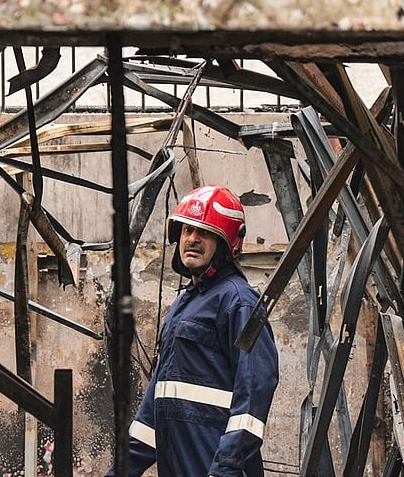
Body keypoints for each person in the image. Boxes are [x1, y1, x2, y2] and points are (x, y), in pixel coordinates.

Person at [107, 185, 279, 477]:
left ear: (225, 244)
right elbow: (155, 404)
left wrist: (225, 468)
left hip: (215, 465)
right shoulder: (184, 304)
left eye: (205, 232)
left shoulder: (238, 302)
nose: (192, 239)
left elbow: (254, 393)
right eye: (186, 231)